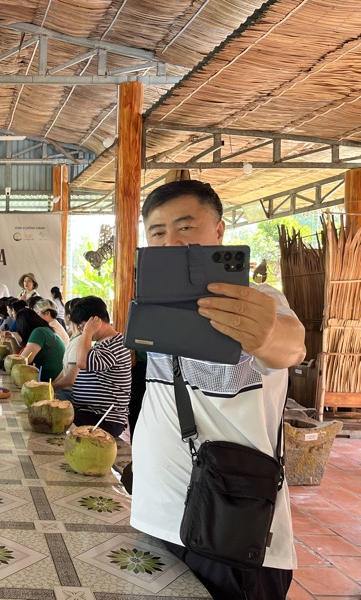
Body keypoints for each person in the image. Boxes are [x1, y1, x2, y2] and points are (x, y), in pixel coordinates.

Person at [130, 179, 305, 600]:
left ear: (219, 232)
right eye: (157, 232)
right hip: (156, 521)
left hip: (231, 530)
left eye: (185, 227)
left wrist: (265, 336)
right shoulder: (155, 309)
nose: (170, 242)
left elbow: (291, 344)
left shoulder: (256, 299)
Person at [70, 296, 131, 438]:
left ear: (94, 321)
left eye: (81, 325)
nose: (80, 330)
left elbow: (82, 361)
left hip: (104, 418)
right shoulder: (105, 342)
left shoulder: (115, 345)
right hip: (91, 413)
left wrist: (87, 332)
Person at [4, 308, 64, 381]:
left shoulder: (39, 332)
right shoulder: (44, 330)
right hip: (53, 377)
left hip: (51, 381)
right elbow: (20, 355)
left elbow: (24, 360)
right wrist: (12, 338)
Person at [51, 298, 82, 398]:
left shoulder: (79, 341)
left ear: (68, 317)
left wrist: (51, 388)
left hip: (71, 394)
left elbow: (70, 379)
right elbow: (65, 370)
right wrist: (51, 384)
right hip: (65, 390)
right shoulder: (74, 338)